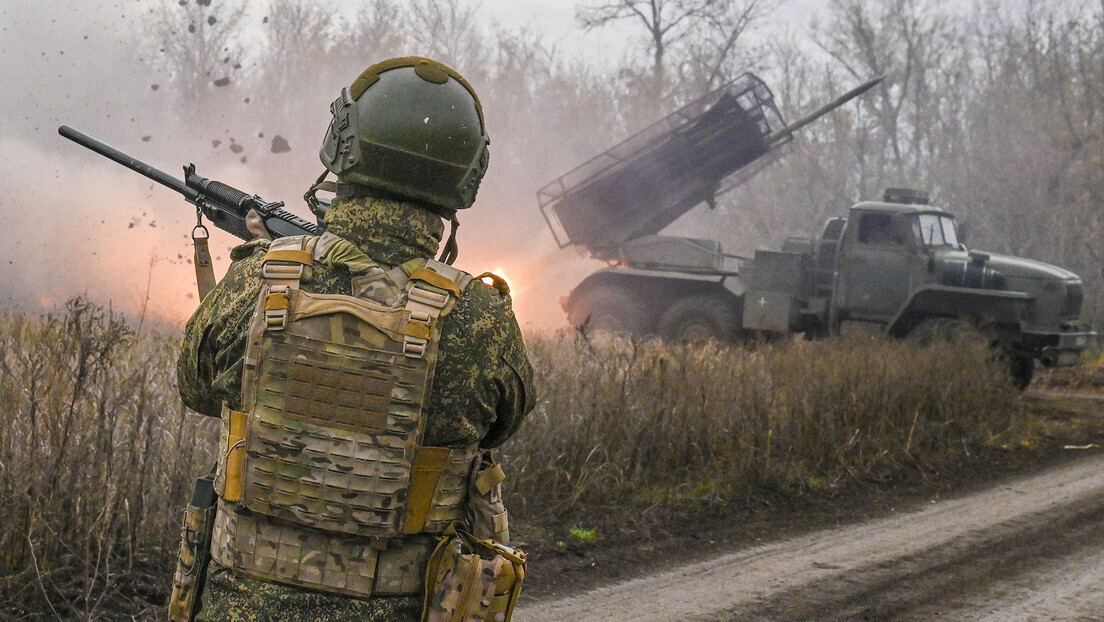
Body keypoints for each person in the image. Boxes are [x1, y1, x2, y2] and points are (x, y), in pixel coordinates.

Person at [174, 56, 534, 621]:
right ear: (463, 175)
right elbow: (504, 422)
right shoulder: (481, 318)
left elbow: (195, 388)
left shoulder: (257, 278)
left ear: (345, 145)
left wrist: (271, 262)